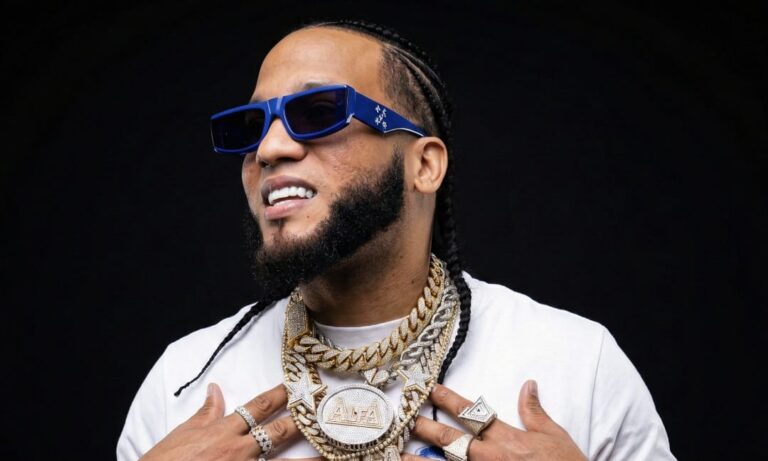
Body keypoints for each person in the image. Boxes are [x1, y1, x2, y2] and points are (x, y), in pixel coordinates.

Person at [117, 20, 675, 461]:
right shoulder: (182, 383)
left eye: (318, 112)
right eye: (250, 128)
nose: (269, 149)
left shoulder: (577, 364)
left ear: (424, 165)